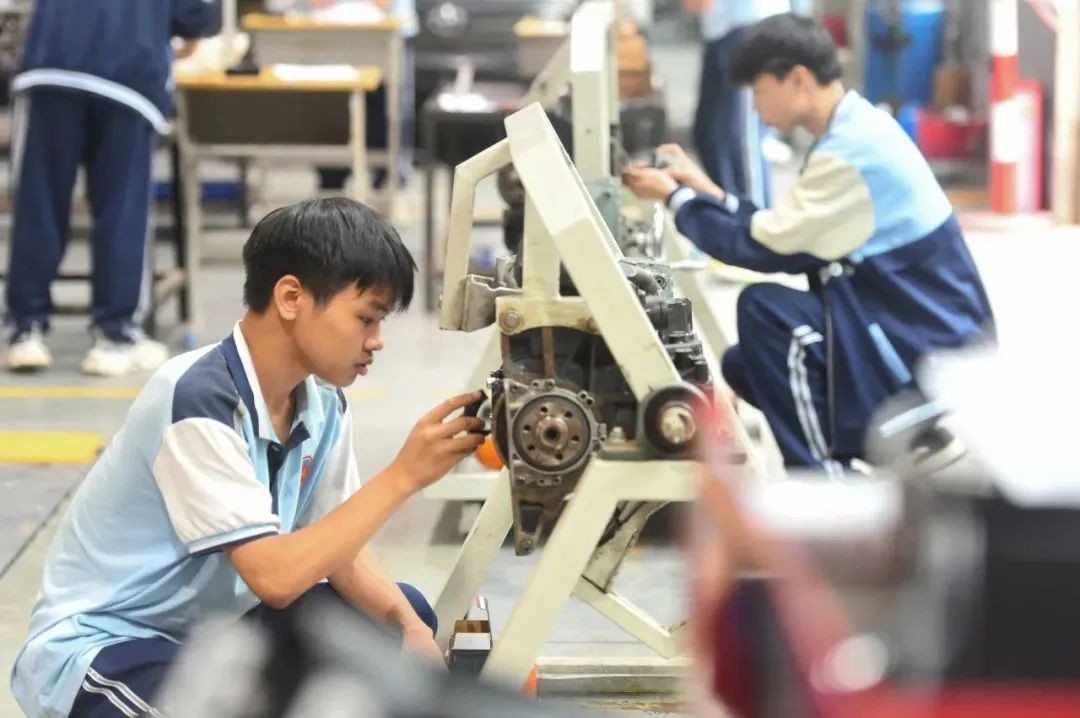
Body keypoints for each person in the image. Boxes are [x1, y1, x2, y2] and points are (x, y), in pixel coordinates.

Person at [10, 198, 486, 717]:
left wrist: (409, 627)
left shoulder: (322, 403)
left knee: (397, 619)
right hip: (112, 644)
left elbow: (339, 547)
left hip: (215, 633)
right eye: (365, 318)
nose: (377, 342)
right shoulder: (197, 399)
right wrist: (403, 476)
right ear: (291, 298)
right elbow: (274, 580)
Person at [623, 13, 993, 475]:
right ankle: (905, 444)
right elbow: (782, 228)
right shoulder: (856, 129)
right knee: (747, 364)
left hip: (927, 350)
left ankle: (823, 482)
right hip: (906, 324)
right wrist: (704, 191)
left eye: (759, 92)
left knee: (767, 315)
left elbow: (762, 248)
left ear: (797, 79)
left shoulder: (850, 154)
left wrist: (676, 199)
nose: (756, 109)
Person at [3, 0, 221, 375]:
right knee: (123, 209)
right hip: (128, 74)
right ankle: (115, 335)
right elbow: (197, 16)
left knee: (38, 205)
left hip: (52, 63)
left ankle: (26, 331)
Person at [683, 0, 790, 208]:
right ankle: (732, 214)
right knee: (710, 136)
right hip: (723, 31)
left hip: (749, 28)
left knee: (740, 139)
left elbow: (698, 4)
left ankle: (755, 218)